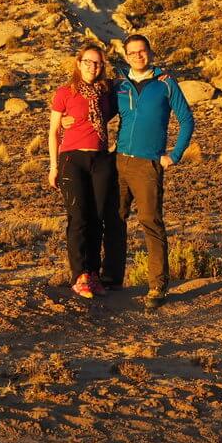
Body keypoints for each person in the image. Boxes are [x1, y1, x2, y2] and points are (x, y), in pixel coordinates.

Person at [109, 33, 194, 309]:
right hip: (119, 161)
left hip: (148, 164)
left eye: (142, 51)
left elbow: (186, 119)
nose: (138, 56)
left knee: (150, 222)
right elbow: (100, 113)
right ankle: (111, 279)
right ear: (125, 56)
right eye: (132, 53)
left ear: (150, 52)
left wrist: (175, 155)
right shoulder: (119, 85)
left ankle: (157, 286)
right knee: (114, 221)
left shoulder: (166, 84)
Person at [48, 43, 121, 300]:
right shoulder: (64, 93)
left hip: (100, 159)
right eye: (88, 61)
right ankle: (78, 275)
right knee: (78, 217)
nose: (93, 66)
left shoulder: (105, 93)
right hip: (72, 159)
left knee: (97, 218)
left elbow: (131, 78)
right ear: (78, 63)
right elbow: (54, 131)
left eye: (98, 63)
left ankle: (93, 274)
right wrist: (53, 166)